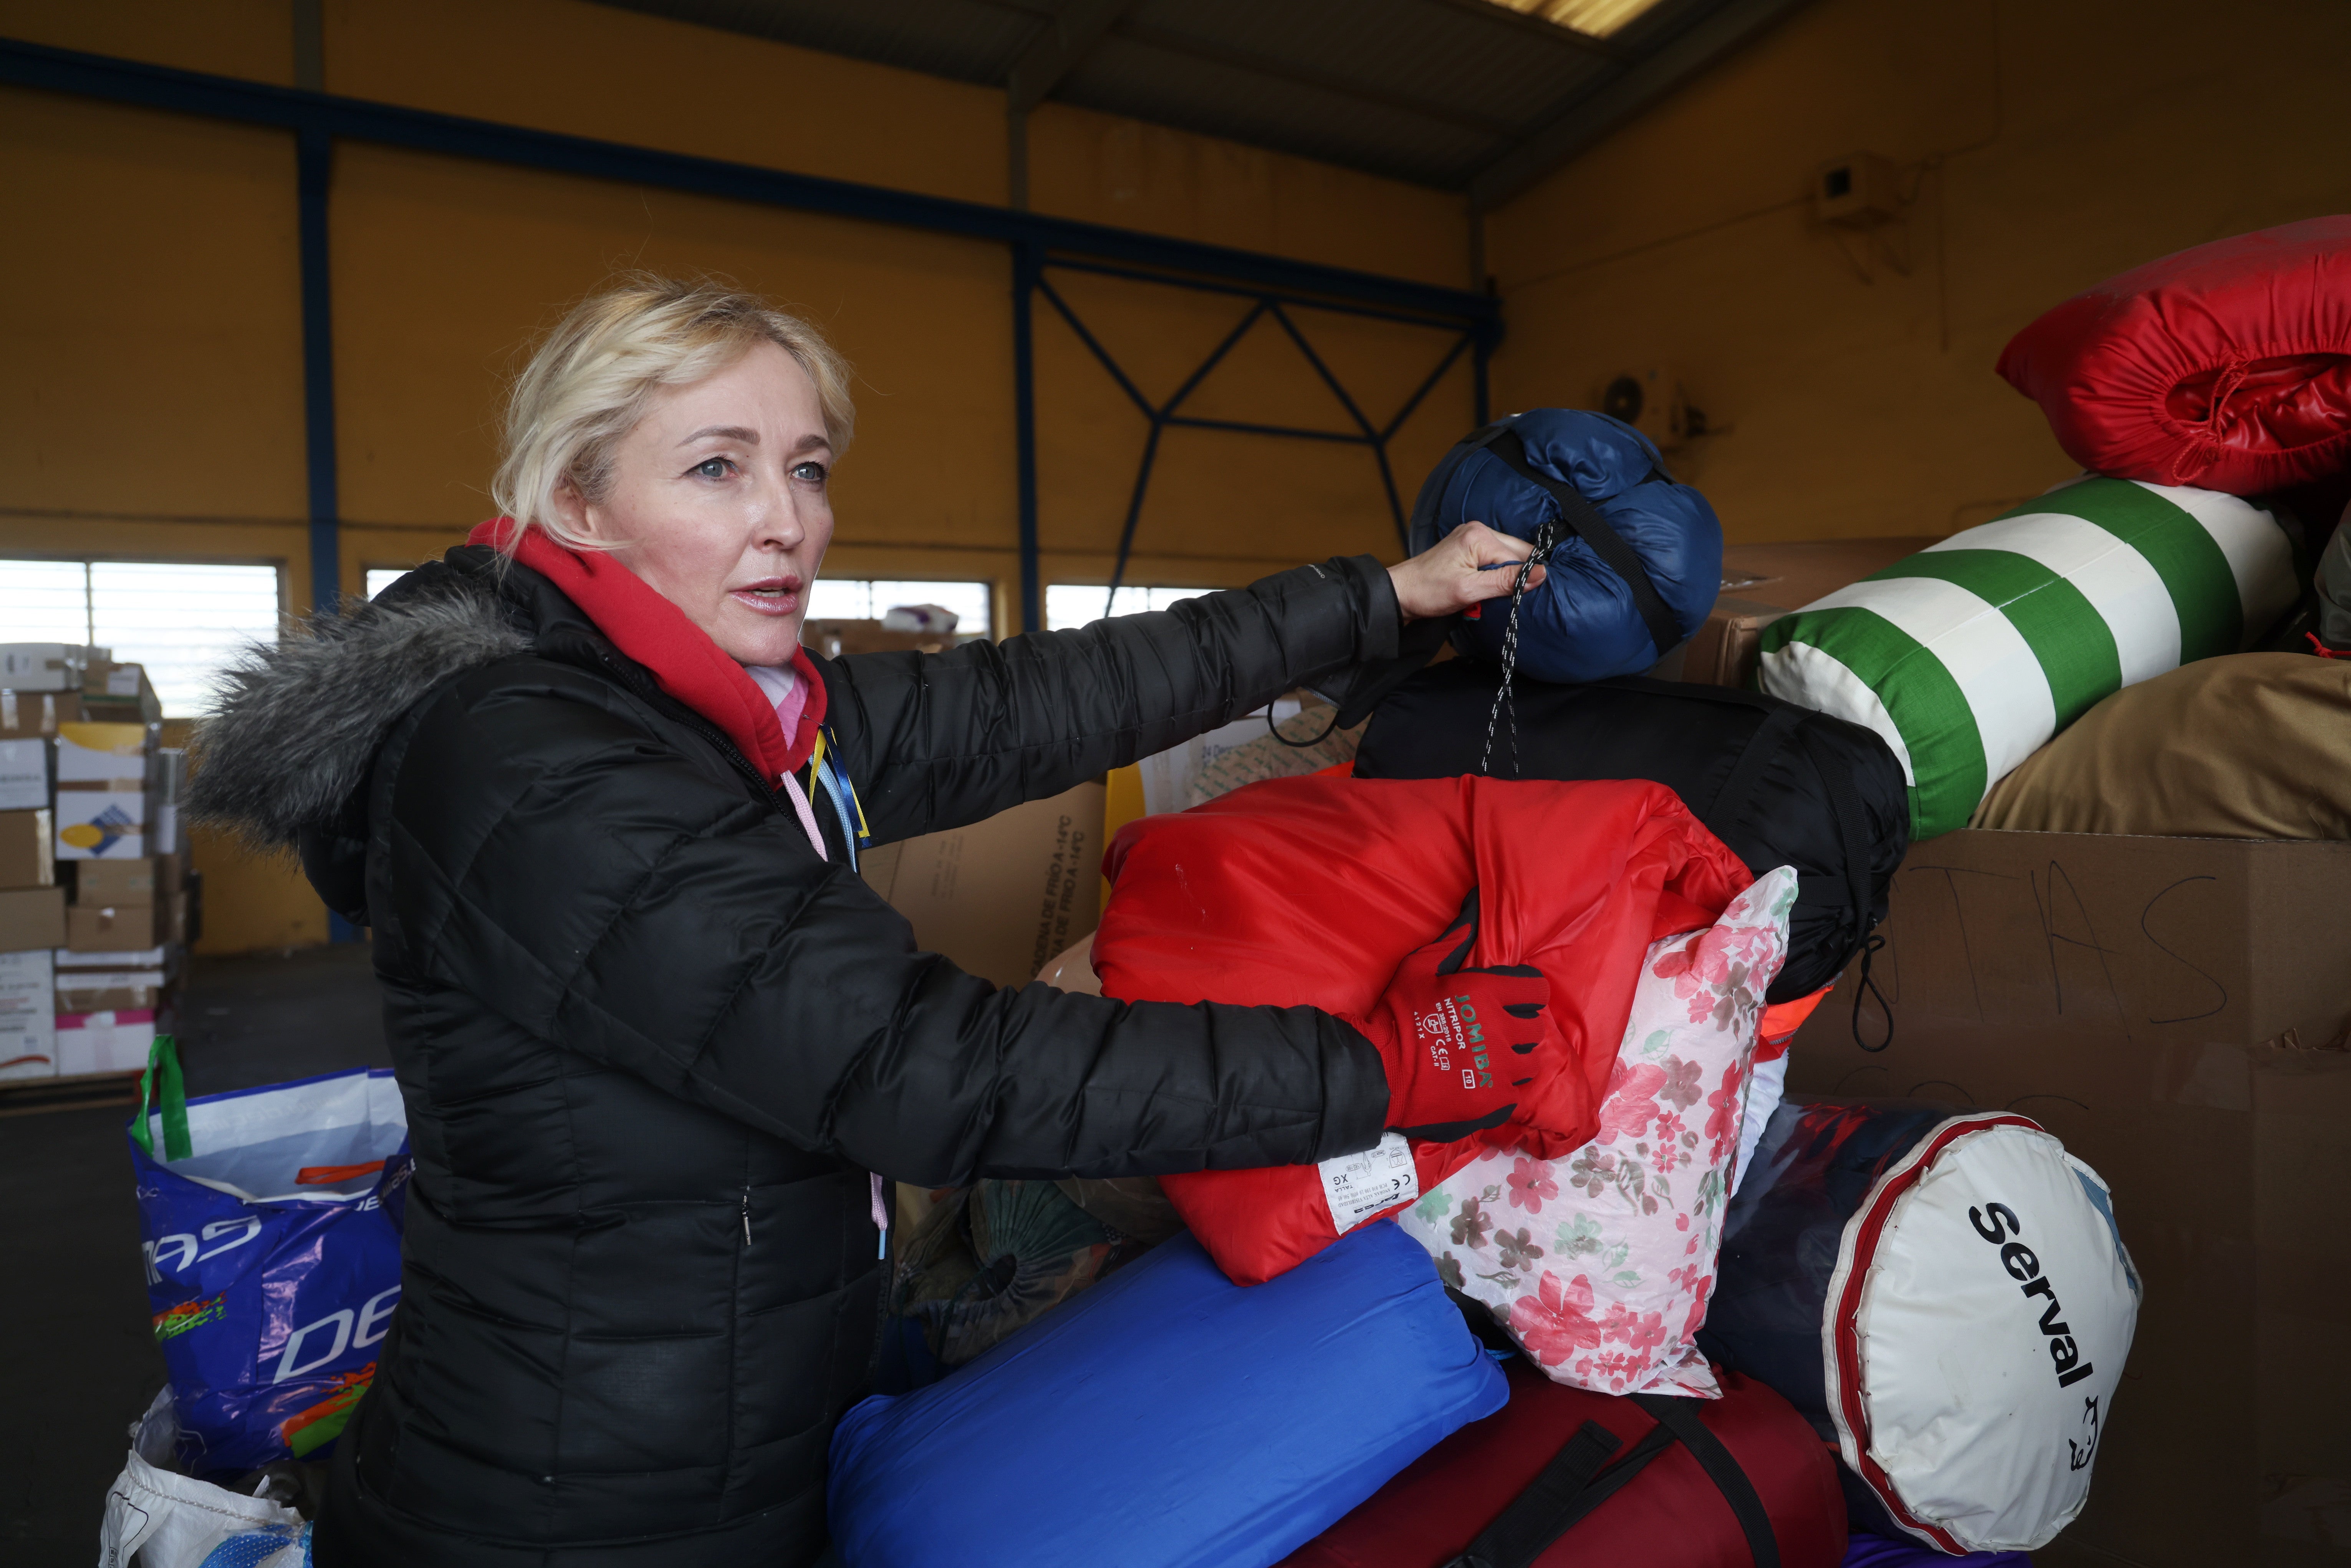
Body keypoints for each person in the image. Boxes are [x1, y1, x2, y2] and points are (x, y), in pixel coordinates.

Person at [190, 275, 1554, 1567]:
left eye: (808, 465)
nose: (787, 517)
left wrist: (1375, 599)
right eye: (717, 466)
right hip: (583, 1504)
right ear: (577, 501)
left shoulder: (709, 710)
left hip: (703, 1425)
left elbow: (1034, 701)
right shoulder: (535, 763)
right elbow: (919, 1064)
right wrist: (1373, 1069)